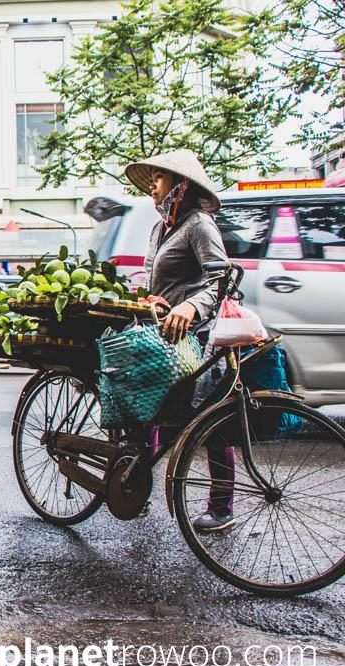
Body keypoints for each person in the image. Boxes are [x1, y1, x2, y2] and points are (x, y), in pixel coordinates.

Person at [125, 149, 232, 532]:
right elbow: (155, 279)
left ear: (180, 185)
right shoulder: (160, 228)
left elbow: (220, 280)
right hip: (164, 338)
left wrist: (190, 307)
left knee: (210, 419)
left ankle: (221, 507)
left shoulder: (199, 224)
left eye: (159, 178)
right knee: (147, 410)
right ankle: (134, 487)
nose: (152, 185)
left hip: (198, 338)